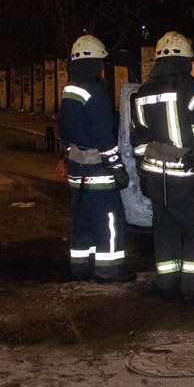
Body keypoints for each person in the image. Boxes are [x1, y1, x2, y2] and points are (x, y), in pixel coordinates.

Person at [130, 31, 194, 301]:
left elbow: (138, 139)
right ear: (185, 57)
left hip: (154, 176)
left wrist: (145, 169)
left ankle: (166, 286)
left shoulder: (143, 91)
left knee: (164, 229)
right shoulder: (187, 85)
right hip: (184, 175)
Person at [56, 34, 131, 282]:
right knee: (109, 221)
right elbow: (104, 137)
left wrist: (69, 156)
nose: (102, 67)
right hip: (99, 172)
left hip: (77, 171)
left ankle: (80, 268)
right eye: (100, 62)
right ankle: (109, 272)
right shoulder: (96, 92)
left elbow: (63, 130)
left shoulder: (69, 90)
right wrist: (118, 167)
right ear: (93, 62)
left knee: (82, 222)